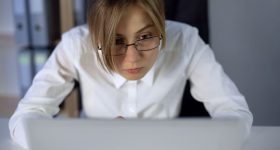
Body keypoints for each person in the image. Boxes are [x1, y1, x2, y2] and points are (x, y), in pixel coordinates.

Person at [9, 0, 253, 149]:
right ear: (96, 37)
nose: (133, 58)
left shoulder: (185, 40)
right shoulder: (75, 45)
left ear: (161, 25)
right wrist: (80, 142)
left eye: (146, 36)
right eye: (116, 41)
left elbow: (236, 114)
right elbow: (24, 118)